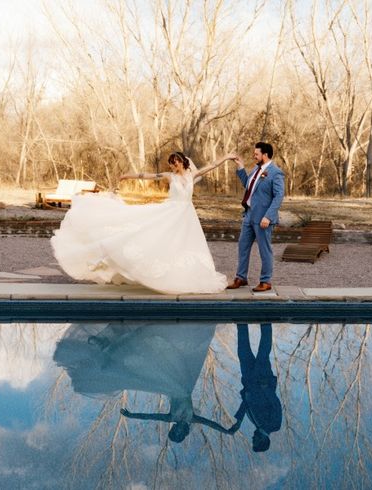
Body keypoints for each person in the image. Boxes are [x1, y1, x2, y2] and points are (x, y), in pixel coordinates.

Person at [50, 152, 234, 294]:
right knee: (146, 233)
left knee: (182, 245)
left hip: (186, 216)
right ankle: (107, 255)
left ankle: (181, 275)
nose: (173, 165)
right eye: (171, 163)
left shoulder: (191, 175)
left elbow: (212, 165)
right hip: (169, 212)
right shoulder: (171, 177)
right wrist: (127, 176)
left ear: (182, 162)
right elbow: (147, 176)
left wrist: (227, 157)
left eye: (175, 162)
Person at [53, 322, 234, 443]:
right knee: (158, 353)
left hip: (173, 383)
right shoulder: (192, 418)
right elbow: (210, 424)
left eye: (174, 432)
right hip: (182, 382)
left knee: (138, 366)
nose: (177, 430)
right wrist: (226, 431)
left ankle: (107, 346)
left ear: (173, 429)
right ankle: (111, 345)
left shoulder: (171, 417)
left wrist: (133, 415)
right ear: (183, 433)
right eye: (179, 433)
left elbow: (151, 416)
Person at [227, 142, 285, 292]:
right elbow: (248, 185)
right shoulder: (256, 169)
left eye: (256, 154)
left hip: (263, 219)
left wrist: (269, 216)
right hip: (249, 215)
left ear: (265, 155)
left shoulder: (275, 172)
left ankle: (265, 281)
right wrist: (240, 167)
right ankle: (241, 278)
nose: (254, 156)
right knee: (243, 246)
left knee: (264, 250)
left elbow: (279, 196)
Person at [230, 323, 282, 452]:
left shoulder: (256, 423)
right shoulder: (274, 426)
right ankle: (266, 321)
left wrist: (239, 421)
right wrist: (266, 388)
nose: (252, 438)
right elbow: (276, 405)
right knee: (263, 351)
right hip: (262, 380)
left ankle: (241, 322)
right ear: (264, 441)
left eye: (252, 441)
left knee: (242, 352)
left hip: (249, 381)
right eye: (255, 441)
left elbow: (247, 403)